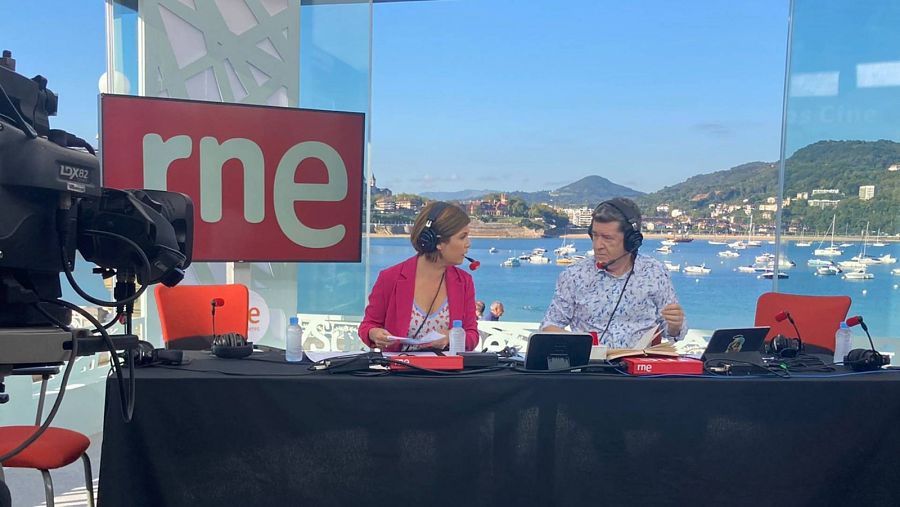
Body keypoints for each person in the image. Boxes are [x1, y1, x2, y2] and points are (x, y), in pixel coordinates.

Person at [541, 197, 686, 348]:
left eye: (607, 238)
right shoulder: (573, 276)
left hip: (640, 368)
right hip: (590, 368)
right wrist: (582, 346)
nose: (598, 246)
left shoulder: (655, 272)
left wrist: (675, 325)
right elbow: (549, 326)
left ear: (632, 240)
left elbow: (673, 332)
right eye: (595, 236)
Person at [359, 201, 480, 352]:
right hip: (399, 373)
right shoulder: (390, 278)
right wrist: (374, 334)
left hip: (447, 374)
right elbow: (367, 326)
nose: (468, 244)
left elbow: (472, 335)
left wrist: (450, 337)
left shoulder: (464, 282)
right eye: (463, 237)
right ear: (438, 242)